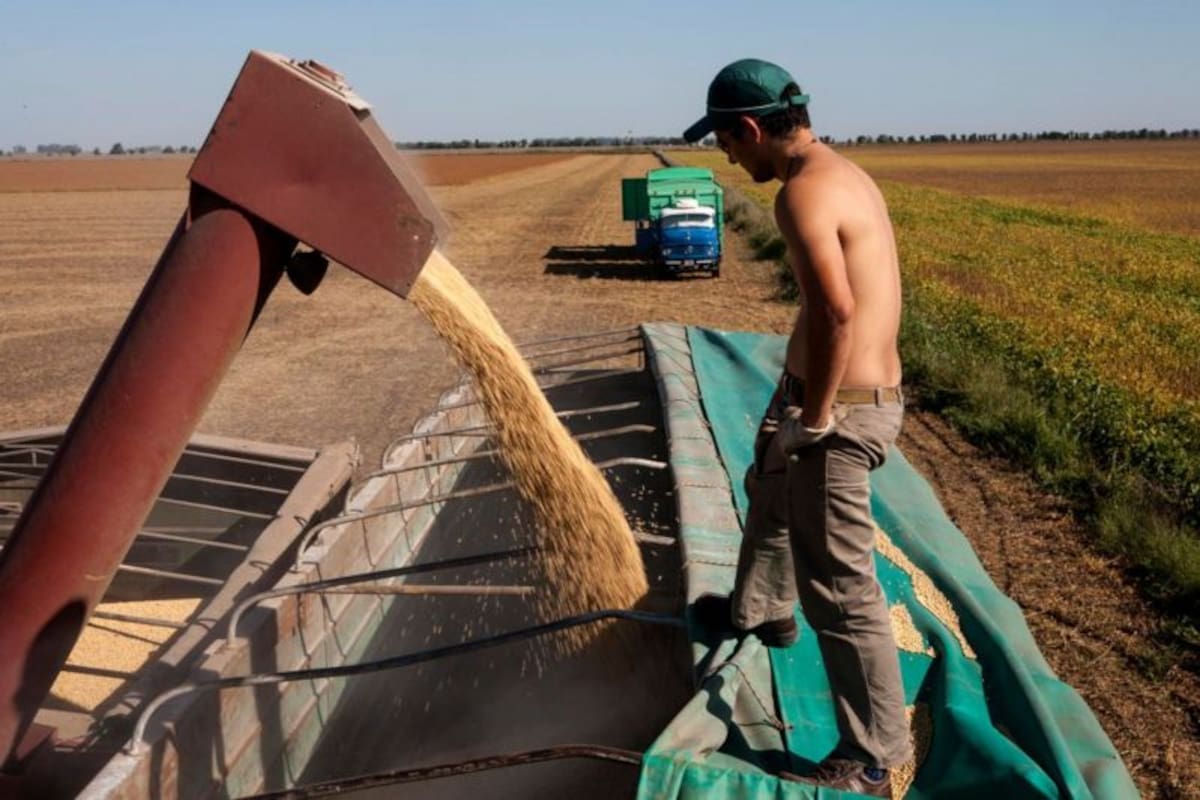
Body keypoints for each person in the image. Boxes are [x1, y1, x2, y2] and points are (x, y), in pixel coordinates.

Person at [684, 58, 911, 798]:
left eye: (725, 141)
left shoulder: (802, 194)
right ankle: (761, 613)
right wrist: (791, 401)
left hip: (841, 411)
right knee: (770, 494)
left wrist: (813, 421)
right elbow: (826, 308)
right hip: (819, 394)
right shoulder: (841, 173)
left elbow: (840, 312)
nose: (726, 156)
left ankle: (872, 757)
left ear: (751, 129)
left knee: (840, 588)